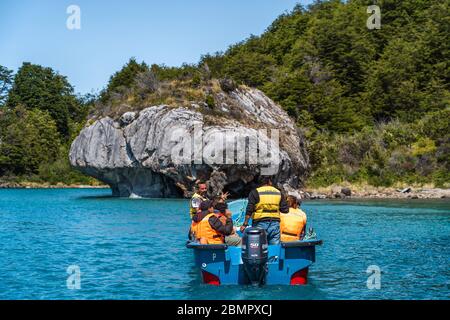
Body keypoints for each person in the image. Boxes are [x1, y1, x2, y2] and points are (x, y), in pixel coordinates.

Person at [240, 176, 289, 244]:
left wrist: (245, 224)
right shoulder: (278, 192)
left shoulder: (255, 192)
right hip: (274, 223)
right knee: (274, 247)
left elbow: (249, 209)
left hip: (259, 222)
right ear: (269, 182)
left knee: (258, 247)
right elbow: (285, 210)